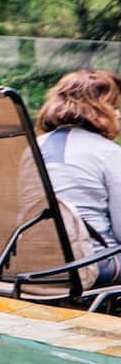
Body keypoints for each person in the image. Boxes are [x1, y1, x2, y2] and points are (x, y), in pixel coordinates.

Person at [36, 69, 121, 285]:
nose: (118, 114)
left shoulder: (33, 148)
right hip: (93, 263)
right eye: (116, 106)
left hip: (36, 261)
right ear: (101, 108)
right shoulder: (108, 153)